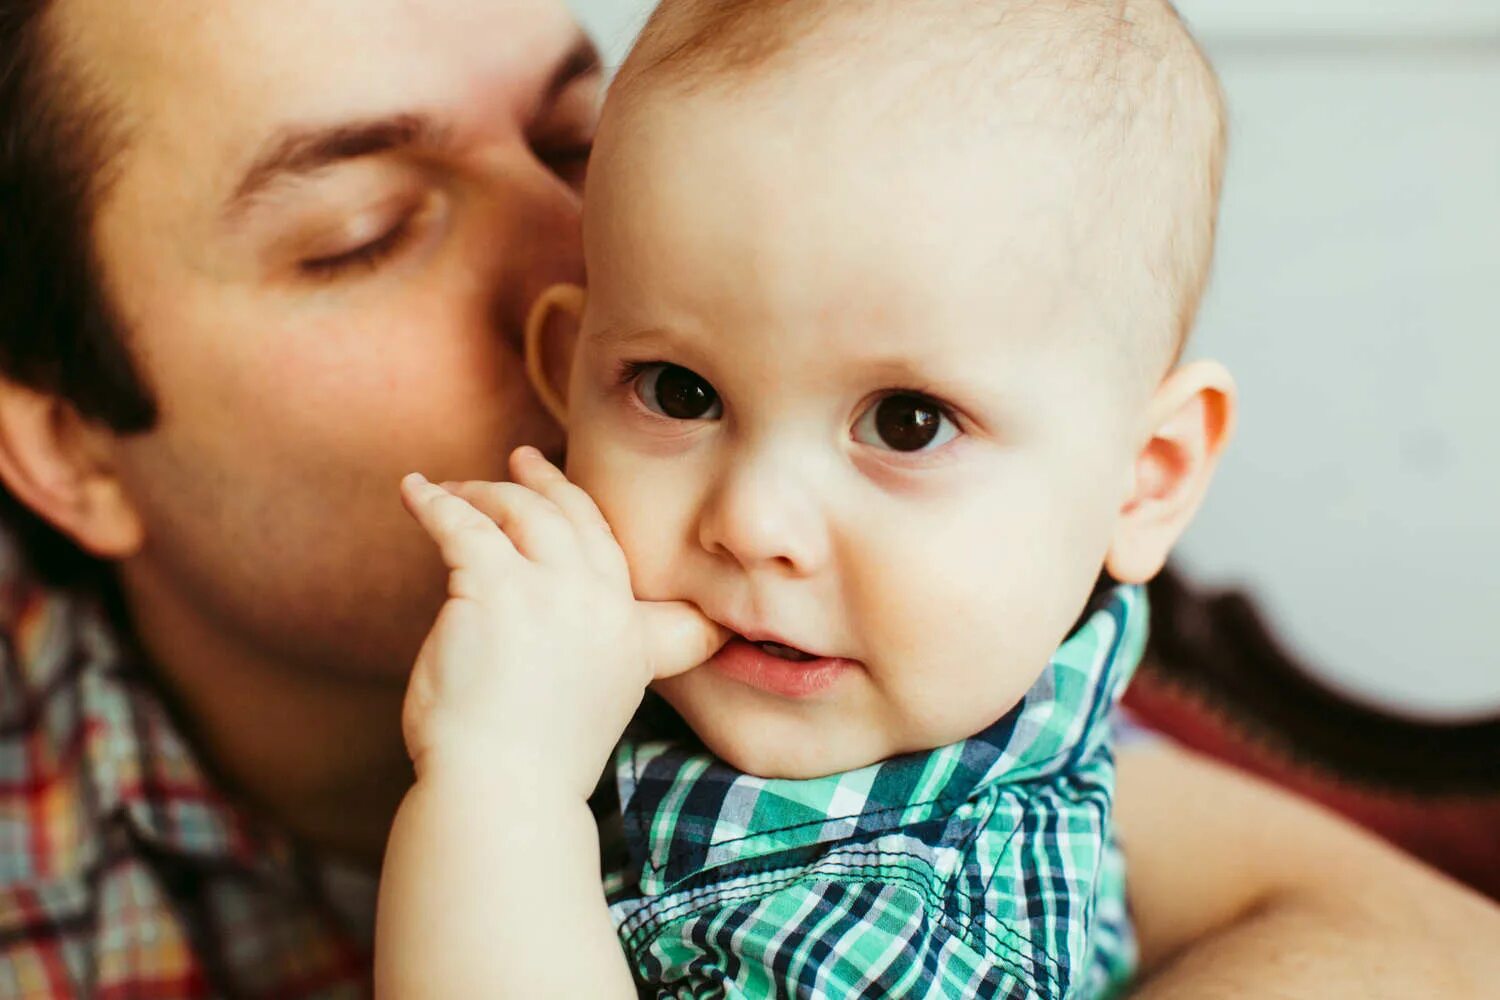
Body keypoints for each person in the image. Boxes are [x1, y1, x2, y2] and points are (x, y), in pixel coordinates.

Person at [0, 0, 1495, 997]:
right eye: (362, 231)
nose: (576, 249)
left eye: (574, 142)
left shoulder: (919, 679)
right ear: (66, 445)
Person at [375, 0, 1234, 996]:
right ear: (569, 382)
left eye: (908, 422)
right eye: (679, 392)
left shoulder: (912, 923)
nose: (752, 521)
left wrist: (501, 783)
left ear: (1148, 478)